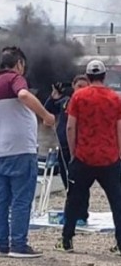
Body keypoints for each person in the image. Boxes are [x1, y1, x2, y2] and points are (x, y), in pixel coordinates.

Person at [0, 46, 55, 258]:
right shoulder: (16, 79)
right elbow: (23, 95)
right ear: (19, 64)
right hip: (21, 149)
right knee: (22, 199)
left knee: (1, 199)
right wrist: (45, 115)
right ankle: (18, 244)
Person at [55, 60, 121, 255]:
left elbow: (70, 126)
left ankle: (67, 240)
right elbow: (119, 128)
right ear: (104, 76)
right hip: (109, 158)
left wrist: (74, 153)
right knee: (117, 202)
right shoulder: (115, 98)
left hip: (84, 156)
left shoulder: (78, 97)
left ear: (88, 76)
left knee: (74, 199)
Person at [44, 75, 90, 226]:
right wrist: (53, 97)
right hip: (63, 149)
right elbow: (47, 110)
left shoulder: (89, 103)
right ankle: (73, 213)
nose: (81, 90)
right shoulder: (65, 102)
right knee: (68, 182)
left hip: (80, 148)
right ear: (73, 86)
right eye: (79, 86)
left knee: (80, 182)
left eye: (84, 86)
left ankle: (82, 214)